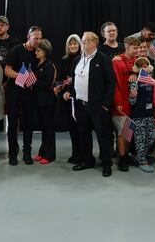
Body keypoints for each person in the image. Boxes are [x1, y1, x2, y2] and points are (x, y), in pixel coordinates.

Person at [63, 31, 115, 177]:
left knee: (102, 136)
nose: (82, 43)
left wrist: (105, 104)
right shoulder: (77, 60)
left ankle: (106, 163)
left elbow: (111, 83)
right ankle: (87, 161)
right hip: (80, 105)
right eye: (83, 41)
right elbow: (74, 80)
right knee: (83, 134)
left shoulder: (103, 59)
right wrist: (70, 92)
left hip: (98, 106)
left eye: (85, 41)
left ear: (94, 42)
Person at [5, 26, 42, 166]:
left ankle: (27, 153)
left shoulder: (39, 52)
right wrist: (22, 77)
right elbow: (7, 71)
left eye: (40, 38)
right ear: (28, 37)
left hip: (29, 94)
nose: (38, 40)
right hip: (14, 93)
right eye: (35, 38)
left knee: (28, 124)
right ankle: (12, 154)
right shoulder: (16, 50)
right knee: (13, 124)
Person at [112, 37, 139, 171]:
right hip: (121, 102)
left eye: (138, 48)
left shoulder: (137, 62)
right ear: (127, 47)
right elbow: (115, 84)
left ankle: (125, 155)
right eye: (135, 48)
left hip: (133, 103)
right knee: (122, 131)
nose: (137, 51)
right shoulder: (117, 62)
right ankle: (122, 159)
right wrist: (117, 102)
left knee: (129, 131)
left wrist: (136, 71)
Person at [55, 34, 81, 164]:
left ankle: (83, 154)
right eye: (70, 44)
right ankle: (75, 153)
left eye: (75, 43)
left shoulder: (83, 58)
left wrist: (73, 81)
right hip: (67, 98)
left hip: (80, 98)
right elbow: (59, 81)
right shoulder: (64, 60)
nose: (73, 46)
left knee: (81, 128)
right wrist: (63, 86)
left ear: (80, 44)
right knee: (72, 128)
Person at [129, 57, 155, 172]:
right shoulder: (134, 82)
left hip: (150, 115)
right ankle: (142, 160)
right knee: (140, 139)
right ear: (137, 69)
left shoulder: (151, 81)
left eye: (145, 66)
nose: (143, 68)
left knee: (150, 138)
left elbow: (154, 97)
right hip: (138, 116)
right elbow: (131, 102)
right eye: (141, 67)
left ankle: (144, 154)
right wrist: (132, 97)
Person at [33, 39, 56, 164]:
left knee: (49, 129)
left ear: (45, 51)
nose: (35, 52)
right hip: (39, 101)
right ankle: (42, 152)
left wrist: (33, 80)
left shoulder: (49, 65)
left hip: (47, 101)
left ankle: (50, 155)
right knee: (44, 128)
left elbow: (48, 84)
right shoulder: (38, 64)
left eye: (38, 50)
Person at [0, 16, 20, 82]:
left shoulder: (14, 43)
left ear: (7, 27)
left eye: (2, 25)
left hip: (8, 79)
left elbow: (17, 63)